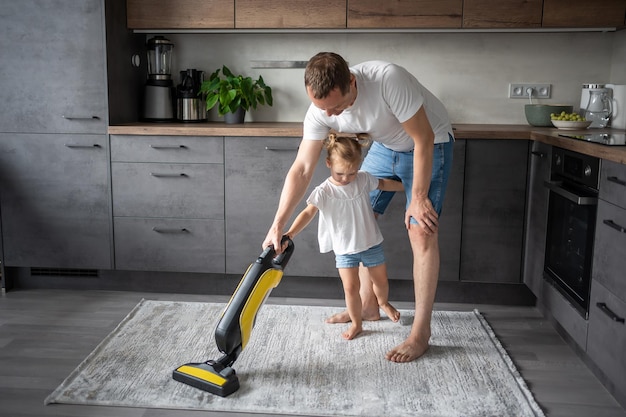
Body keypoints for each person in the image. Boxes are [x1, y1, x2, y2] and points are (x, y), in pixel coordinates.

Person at [263, 52, 454, 363]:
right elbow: (301, 169)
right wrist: (278, 224)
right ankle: (367, 307)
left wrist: (416, 197)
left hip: (428, 144)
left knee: (421, 230)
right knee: (358, 215)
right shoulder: (321, 109)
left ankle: (421, 332)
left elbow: (424, 138)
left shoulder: (387, 80)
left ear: (352, 81)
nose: (332, 116)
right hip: (385, 145)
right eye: (324, 108)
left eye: (336, 107)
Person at [285, 133, 402, 340]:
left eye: (352, 173)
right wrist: (290, 233)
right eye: (341, 174)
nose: (347, 179)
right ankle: (357, 323)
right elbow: (307, 213)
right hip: (345, 249)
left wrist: (408, 187)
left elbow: (383, 184)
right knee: (351, 288)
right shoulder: (324, 191)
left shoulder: (363, 179)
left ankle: (382, 302)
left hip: (371, 243)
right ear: (328, 163)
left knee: (381, 281)